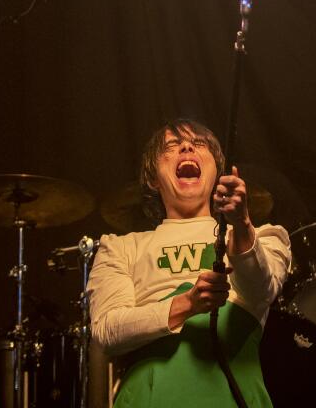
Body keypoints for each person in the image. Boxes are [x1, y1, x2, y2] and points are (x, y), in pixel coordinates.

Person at [87, 119, 291, 407]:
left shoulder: (264, 236)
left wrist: (242, 224)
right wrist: (188, 304)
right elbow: (107, 332)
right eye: (171, 146)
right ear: (153, 178)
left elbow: (262, 291)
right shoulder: (120, 247)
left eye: (200, 144)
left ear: (217, 173)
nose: (186, 147)